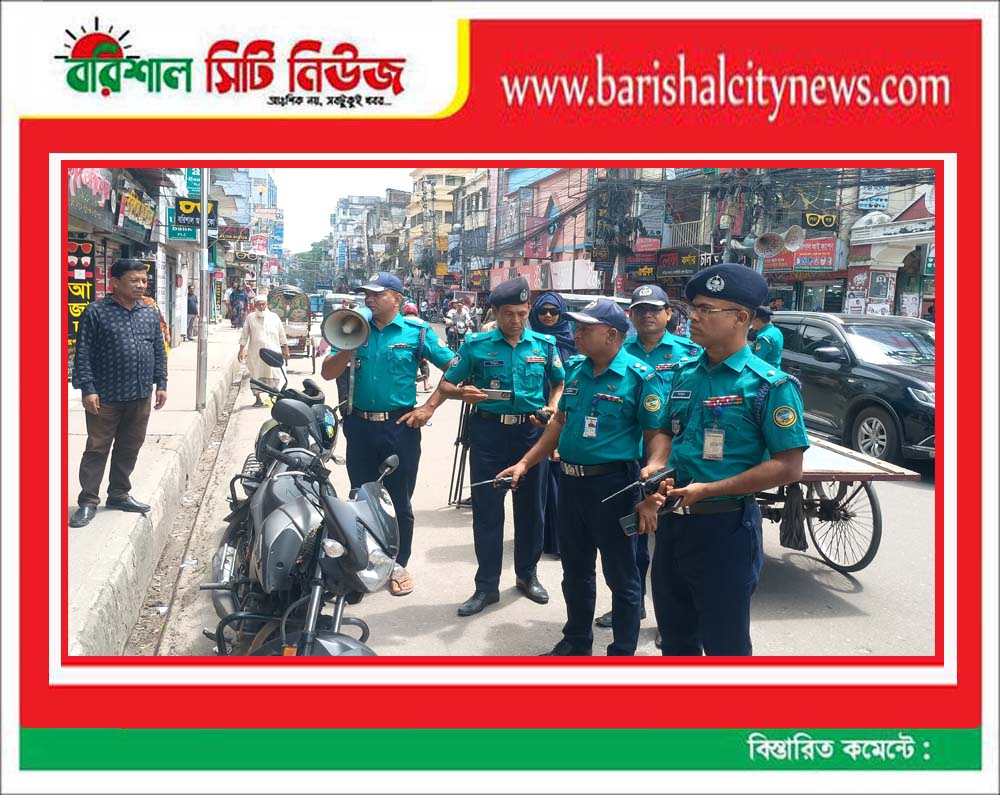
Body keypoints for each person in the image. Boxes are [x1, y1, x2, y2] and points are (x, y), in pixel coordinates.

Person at [636, 263, 808, 656]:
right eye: (692, 308)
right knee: (675, 639)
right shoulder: (683, 374)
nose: (692, 317)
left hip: (724, 529)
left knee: (725, 646)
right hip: (673, 524)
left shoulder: (769, 386)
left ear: (741, 318)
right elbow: (665, 430)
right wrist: (657, 461)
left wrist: (709, 489)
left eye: (705, 309)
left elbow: (788, 466)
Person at [497, 299, 670, 656]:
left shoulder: (639, 377)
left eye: (586, 329)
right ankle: (576, 642)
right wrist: (525, 463)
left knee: (622, 576)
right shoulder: (576, 369)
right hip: (571, 484)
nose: (576, 334)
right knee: (575, 570)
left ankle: (622, 652)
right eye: (577, 327)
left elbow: (657, 436)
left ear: (611, 335)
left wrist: (653, 476)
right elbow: (559, 423)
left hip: (614, 487)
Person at [321, 272, 456, 597]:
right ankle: (362, 565)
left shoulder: (416, 332)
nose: (369, 299)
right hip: (359, 425)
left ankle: (397, 565)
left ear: (397, 298)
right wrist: (349, 345)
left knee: (398, 501)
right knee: (359, 497)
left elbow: (455, 366)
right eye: (366, 294)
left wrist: (429, 407)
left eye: (377, 294)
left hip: (400, 427)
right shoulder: (353, 328)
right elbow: (327, 372)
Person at [438, 278, 566, 617]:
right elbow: (446, 384)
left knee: (531, 511)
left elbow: (559, 382)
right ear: (495, 312)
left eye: (522, 314)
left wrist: (552, 405)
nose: (516, 320)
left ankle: (527, 575)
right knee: (488, 512)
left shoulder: (544, 345)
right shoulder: (475, 345)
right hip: (489, 435)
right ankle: (486, 586)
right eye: (509, 314)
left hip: (531, 435)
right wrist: (461, 392)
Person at [593, 284, 702, 634]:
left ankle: (674, 623)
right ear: (631, 316)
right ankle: (633, 604)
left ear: (668, 314)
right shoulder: (619, 351)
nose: (647, 315)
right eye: (640, 310)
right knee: (634, 534)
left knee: (674, 539)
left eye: (655, 309)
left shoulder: (690, 353)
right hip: (630, 455)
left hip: (676, 456)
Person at [69, 259, 168, 528]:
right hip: (105, 397)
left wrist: (161, 383)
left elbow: (158, 350)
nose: (141, 285)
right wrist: (88, 389)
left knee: (129, 447)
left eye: (144, 281)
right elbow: (83, 353)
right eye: (134, 280)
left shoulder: (149, 313)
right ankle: (88, 501)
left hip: (139, 395)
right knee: (97, 448)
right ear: (115, 282)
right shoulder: (96, 312)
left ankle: (119, 494)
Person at [528, 291, 577, 559]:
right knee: (539, 481)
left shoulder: (574, 342)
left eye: (554, 311)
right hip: (535, 418)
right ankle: (539, 536)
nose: (548, 316)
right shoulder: (529, 340)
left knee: (560, 477)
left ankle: (559, 539)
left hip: (566, 415)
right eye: (542, 311)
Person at [239, 294, 290, 407]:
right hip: (256, 354)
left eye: (264, 304)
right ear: (255, 305)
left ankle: (273, 397)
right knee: (256, 375)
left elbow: (281, 334)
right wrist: (241, 350)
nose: (262, 307)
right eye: (259, 305)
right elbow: (244, 335)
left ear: (267, 305)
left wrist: (286, 348)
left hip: (273, 353)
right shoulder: (250, 318)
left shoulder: (274, 317)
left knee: (275, 374)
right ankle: (258, 399)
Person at [404, 302, 432, 392]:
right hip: (419, 350)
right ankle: (426, 384)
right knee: (424, 364)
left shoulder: (400, 321)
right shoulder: (423, 323)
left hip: (404, 351)